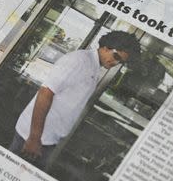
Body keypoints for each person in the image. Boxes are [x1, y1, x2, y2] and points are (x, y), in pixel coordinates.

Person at [9, 30, 140, 169]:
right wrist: (34, 138)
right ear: (106, 47)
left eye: (121, 61)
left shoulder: (94, 66)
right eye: (116, 56)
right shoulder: (79, 61)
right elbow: (45, 93)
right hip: (33, 137)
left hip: (48, 139)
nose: (116, 62)